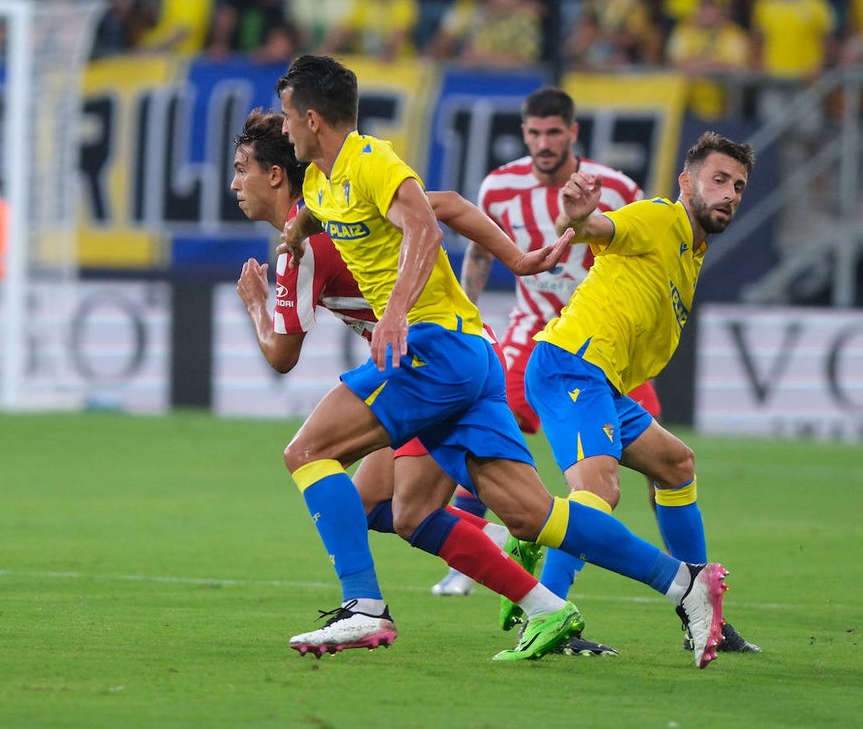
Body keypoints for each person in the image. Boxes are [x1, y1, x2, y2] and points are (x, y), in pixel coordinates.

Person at [275, 54, 730, 668]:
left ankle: (364, 606)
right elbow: (452, 205)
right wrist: (297, 232)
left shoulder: (371, 159)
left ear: (311, 117)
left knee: (307, 453)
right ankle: (679, 584)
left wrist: (396, 311)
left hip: (431, 347)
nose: (283, 131)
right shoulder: (320, 183)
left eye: (286, 117)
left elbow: (427, 228)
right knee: (531, 514)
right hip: (473, 355)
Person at [231, 107, 612, 658]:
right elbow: (451, 205)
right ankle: (545, 604)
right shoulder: (337, 206)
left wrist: (258, 309)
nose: (234, 183)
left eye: (242, 168)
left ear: (274, 175)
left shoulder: (307, 246)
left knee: (320, 460)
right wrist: (517, 260)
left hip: (428, 364)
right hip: (451, 351)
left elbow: (282, 355)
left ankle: (367, 606)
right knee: (380, 510)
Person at [523, 129, 760, 662]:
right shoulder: (658, 217)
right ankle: (547, 616)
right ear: (686, 182)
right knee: (597, 491)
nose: (729, 194)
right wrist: (578, 215)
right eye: (719, 180)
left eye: (739, 186)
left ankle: (703, 613)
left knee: (676, 464)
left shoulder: (691, 250)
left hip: (600, 381)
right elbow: (592, 227)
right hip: (571, 365)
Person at [431, 87, 654, 612]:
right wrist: (468, 315)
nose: (543, 142)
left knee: (659, 464)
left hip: (603, 342)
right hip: (530, 336)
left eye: (554, 132)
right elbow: (482, 254)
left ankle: (680, 564)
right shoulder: (501, 186)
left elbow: (645, 253)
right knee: (487, 435)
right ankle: (470, 562)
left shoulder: (617, 187)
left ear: (572, 133)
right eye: (534, 132)